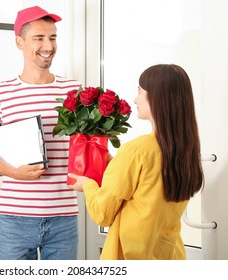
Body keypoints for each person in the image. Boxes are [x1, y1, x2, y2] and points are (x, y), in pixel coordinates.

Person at [0, 6, 81, 260]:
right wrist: (12, 172)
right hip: (14, 219)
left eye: (53, 37)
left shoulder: (74, 91)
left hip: (63, 217)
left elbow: (85, 148)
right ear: (20, 42)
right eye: (39, 38)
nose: (48, 46)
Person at [68, 64, 204, 260]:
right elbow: (148, 188)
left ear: (157, 98)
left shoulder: (135, 151)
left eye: (139, 91)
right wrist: (116, 165)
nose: (135, 99)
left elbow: (102, 214)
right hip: (169, 255)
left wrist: (88, 185)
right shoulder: (186, 148)